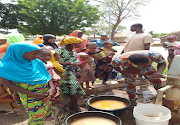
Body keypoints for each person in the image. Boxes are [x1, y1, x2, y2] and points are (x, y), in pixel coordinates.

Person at [0, 43, 54, 124]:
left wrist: (52, 88)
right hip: (29, 96)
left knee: (45, 110)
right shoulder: (5, 66)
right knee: (36, 116)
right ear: (20, 52)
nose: (37, 56)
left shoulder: (36, 62)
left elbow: (46, 75)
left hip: (45, 93)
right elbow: (7, 84)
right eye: (34, 53)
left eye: (38, 53)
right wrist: (33, 94)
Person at [55, 37, 87, 112]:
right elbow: (54, 62)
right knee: (75, 87)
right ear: (72, 43)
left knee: (69, 88)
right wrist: (70, 63)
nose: (81, 44)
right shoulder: (60, 51)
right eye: (79, 43)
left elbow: (76, 61)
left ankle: (70, 105)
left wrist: (78, 71)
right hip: (62, 72)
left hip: (71, 72)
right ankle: (74, 106)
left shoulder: (74, 51)